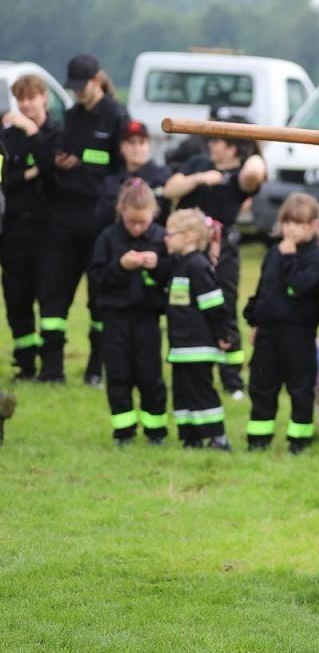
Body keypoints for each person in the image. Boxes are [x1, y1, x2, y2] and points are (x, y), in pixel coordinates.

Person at [40, 54, 128, 385]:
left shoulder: (117, 116)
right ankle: (51, 371)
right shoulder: (73, 116)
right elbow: (61, 149)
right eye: (73, 88)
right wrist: (59, 161)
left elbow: (119, 167)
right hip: (65, 217)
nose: (77, 93)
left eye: (81, 87)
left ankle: (95, 369)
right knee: (53, 294)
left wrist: (85, 166)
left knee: (99, 300)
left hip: (100, 220)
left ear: (95, 81)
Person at [164, 136, 266, 399]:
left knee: (224, 310)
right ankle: (192, 365)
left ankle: (232, 380)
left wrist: (253, 147)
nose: (211, 145)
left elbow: (255, 171)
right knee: (185, 307)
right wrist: (199, 178)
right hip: (187, 252)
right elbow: (170, 189)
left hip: (223, 254)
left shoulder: (240, 175)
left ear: (233, 146)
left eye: (219, 140)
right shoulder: (198, 162)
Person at [243, 193, 319, 453]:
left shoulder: (316, 257)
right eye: (288, 223)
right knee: (261, 386)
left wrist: (290, 258)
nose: (291, 229)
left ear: (313, 225)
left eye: (299, 224)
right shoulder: (274, 252)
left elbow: (302, 286)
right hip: (269, 332)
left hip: (298, 333)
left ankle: (299, 440)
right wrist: (255, 318)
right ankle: (259, 439)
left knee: (300, 388)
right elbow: (265, 287)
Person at [88, 179, 168, 445]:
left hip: (147, 319)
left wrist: (157, 266)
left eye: (142, 222)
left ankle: (155, 431)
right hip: (115, 318)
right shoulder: (108, 238)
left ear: (153, 214)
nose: (136, 228)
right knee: (118, 375)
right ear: (121, 210)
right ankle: (123, 431)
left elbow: (172, 276)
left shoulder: (160, 238)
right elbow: (97, 278)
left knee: (150, 377)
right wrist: (120, 266)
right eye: (131, 221)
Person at [2, 74, 58, 378]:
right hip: (13, 233)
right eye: (20, 99)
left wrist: (33, 134)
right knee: (16, 299)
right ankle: (25, 364)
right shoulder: (6, 138)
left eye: (31, 98)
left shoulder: (57, 134)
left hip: (48, 233)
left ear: (44, 98)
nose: (25, 105)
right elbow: (3, 181)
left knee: (48, 300)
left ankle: (51, 366)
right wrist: (26, 174)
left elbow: (51, 171)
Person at [162, 208, 232, 450]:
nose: (165, 238)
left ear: (190, 236)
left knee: (201, 391)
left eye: (170, 233)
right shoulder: (179, 265)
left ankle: (218, 437)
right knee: (182, 393)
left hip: (199, 346)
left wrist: (222, 335)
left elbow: (214, 306)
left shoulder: (198, 266)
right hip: (180, 347)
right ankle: (191, 437)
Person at [96, 120, 172, 229]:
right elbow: (101, 219)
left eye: (142, 142)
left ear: (149, 145)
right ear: (121, 147)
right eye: (131, 142)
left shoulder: (163, 177)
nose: (136, 148)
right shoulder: (111, 182)